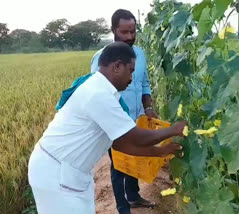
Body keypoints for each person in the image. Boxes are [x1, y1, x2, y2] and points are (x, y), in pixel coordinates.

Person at [28, 42, 186, 214]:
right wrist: (175, 129)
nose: (132, 78)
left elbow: (120, 144)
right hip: (55, 173)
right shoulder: (98, 94)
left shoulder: (104, 91)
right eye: (131, 71)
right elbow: (136, 138)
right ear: (117, 66)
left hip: (65, 171)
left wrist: (160, 152)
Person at [90, 9, 157, 214]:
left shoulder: (141, 55)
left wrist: (149, 107)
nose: (129, 37)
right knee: (119, 165)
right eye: (124, 32)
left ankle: (134, 196)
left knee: (135, 159)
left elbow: (144, 84)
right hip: (115, 122)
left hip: (136, 119)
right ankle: (122, 207)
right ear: (113, 31)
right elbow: (98, 94)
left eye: (133, 31)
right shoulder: (102, 58)